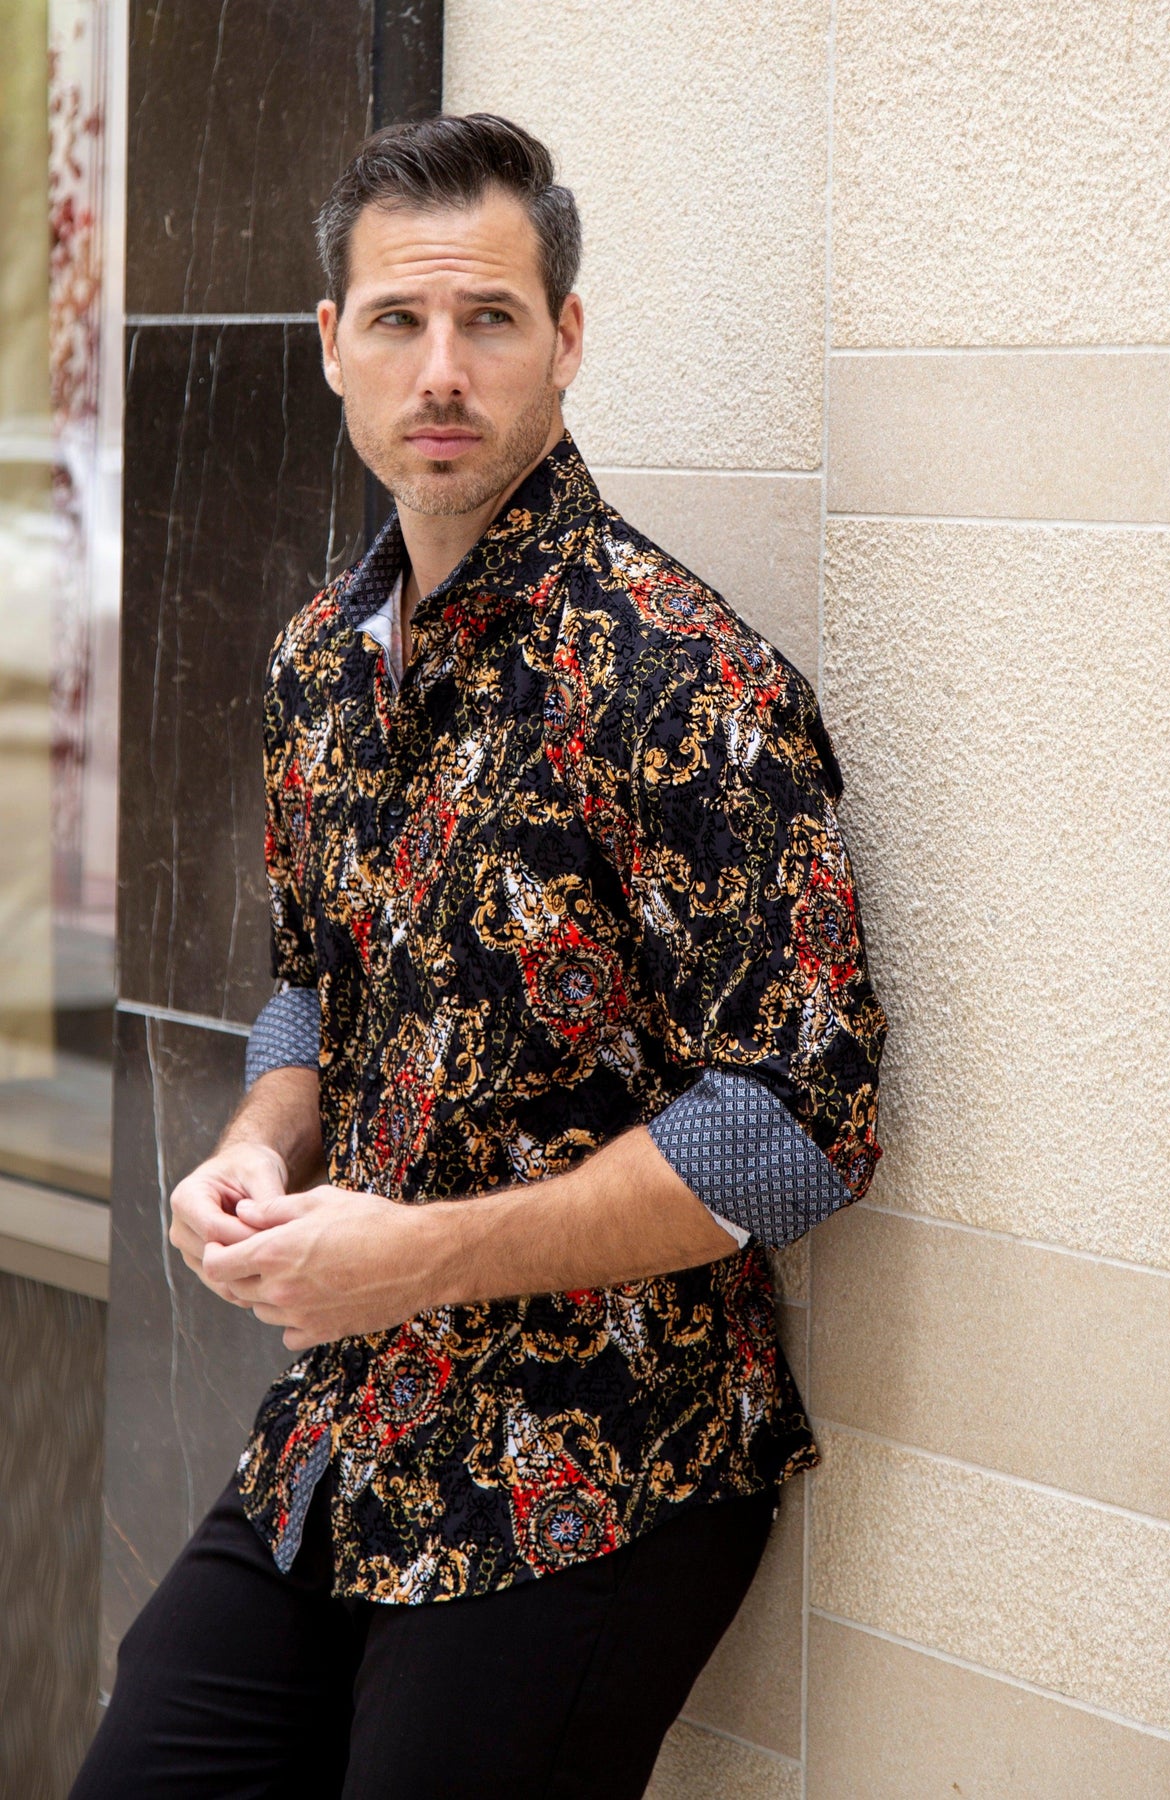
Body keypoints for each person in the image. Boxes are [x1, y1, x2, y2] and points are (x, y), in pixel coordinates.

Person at [72, 112, 886, 1799]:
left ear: (565, 338)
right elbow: (316, 980)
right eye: (399, 320)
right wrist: (256, 1146)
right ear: (333, 347)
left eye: (491, 319)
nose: (441, 370)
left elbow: (803, 1124)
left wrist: (419, 1260)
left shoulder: (685, 676)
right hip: (347, 1430)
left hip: (603, 1466)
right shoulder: (318, 660)